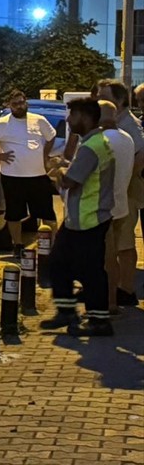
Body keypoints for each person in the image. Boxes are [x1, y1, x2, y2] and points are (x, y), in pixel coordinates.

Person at [41, 97, 115, 337]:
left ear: (84, 117)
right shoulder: (96, 142)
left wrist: (58, 169)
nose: (68, 120)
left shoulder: (91, 147)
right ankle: (67, 312)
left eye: (72, 115)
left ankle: (99, 321)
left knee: (90, 272)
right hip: (82, 218)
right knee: (58, 264)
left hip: (88, 219)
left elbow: (71, 181)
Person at [0, 90, 57, 258]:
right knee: (14, 214)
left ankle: (51, 246)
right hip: (12, 176)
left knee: (47, 213)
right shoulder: (2, 124)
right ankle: (18, 245)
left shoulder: (39, 120)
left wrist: (45, 155)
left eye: (21, 102)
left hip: (38, 175)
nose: (19, 106)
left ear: (26, 102)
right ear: (9, 105)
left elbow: (51, 136)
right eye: (15, 104)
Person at [96, 79, 144, 309]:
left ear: (120, 100)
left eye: (104, 97)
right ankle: (115, 290)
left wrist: (122, 182)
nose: (98, 101)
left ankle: (125, 290)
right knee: (114, 244)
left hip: (126, 191)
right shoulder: (114, 123)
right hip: (119, 191)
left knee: (123, 244)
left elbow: (140, 157)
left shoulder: (129, 125)